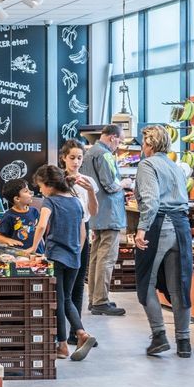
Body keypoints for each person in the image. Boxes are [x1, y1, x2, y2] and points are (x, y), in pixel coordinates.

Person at [134, 125, 193, 358]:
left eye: (143, 142)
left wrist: (141, 229)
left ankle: (159, 336)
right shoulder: (175, 166)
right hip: (181, 227)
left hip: (159, 225)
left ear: (148, 144)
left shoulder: (147, 165)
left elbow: (151, 201)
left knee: (145, 282)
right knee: (179, 285)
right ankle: (184, 341)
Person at [30, 165, 96, 362]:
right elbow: (82, 231)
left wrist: (33, 249)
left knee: (57, 301)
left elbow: (42, 225)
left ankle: (63, 345)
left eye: (40, 186)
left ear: (49, 185)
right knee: (66, 298)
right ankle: (82, 333)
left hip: (56, 257)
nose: (40, 191)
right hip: (74, 257)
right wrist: (76, 249)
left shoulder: (49, 202)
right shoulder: (76, 201)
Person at [81, 124, 131, 316]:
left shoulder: (89, 153)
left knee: (96, 257)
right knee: (107, 258)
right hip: (110, 213)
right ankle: (101, 300)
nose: (119, 145)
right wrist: (125, 183)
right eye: (120, 140)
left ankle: (94, 299)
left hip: (95, 212)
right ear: (112, 137)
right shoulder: (105, 155)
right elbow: (110, 185)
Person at [61, 139, 99, 325]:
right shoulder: (57, 180)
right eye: (72, 157)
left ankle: (77, 330)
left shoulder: (88, 181)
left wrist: (91, 191)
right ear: (64, 158)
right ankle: (63, 332)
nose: (76, 162)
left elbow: (92, 211)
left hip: (82, 230)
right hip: (62, 232)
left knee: (78, 283)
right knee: (61, 285)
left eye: (79, 158)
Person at [0, 178, 41, 252]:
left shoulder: (34, 211)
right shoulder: (9, 216)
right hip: (20, 255)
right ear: (17, 199)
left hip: (38, 253)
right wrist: (8, 240)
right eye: (26, 191)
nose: (30, 192)